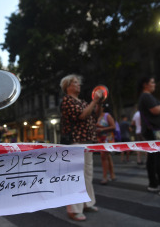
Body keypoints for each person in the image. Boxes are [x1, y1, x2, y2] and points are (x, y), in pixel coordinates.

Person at [60, 74, 102, 221]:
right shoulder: (67, 101)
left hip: (87, 140)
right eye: (75, 83)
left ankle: (86, 203)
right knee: (76, 175)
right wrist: (95, 100)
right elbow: (82, 116)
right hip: (75, 140)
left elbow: (93, 116)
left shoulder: (83, 101)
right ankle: (73, 209)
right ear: (68, 86)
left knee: (87, 174)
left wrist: (99, 103)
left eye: (78, 83)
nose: (79, 85)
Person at [96, 103, 116, 185]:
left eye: (97, 106)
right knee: (107, 156)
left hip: (107, 138)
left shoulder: (107, 115)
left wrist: (101, 128)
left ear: (102, 108)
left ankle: (105, 177)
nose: (95, 108)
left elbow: (113, 126)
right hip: (101, 139)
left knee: (103, 157)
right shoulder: (98, 117)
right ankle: (112, 175)